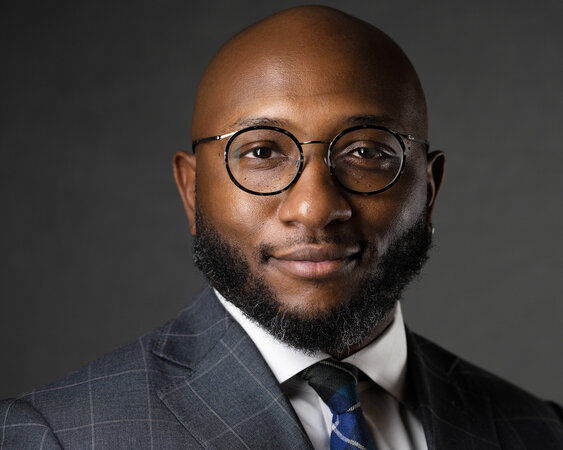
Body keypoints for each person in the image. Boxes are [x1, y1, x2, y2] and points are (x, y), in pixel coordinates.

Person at [1, 5, 561, 449]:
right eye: (262, 152)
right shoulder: (58, 436)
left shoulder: (540, 431)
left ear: (430, 190)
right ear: (193, 192)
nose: (314, 208)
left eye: (366, 151)